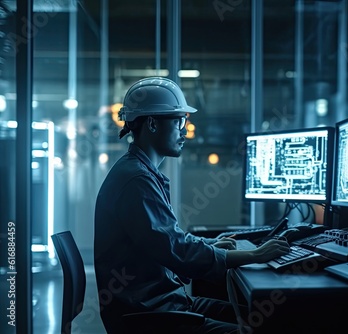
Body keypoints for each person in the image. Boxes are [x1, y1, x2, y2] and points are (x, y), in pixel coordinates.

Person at [93, 77, 290, 334]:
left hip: (164, 304)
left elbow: (168, 241)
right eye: (179, 121)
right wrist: (254, 255)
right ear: (152, 123)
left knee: (271, 316)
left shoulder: (139, 172)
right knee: (263, 325)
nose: (184, 130)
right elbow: (178, 252)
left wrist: (210, 246)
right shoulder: (137, 180)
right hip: (150, 317)